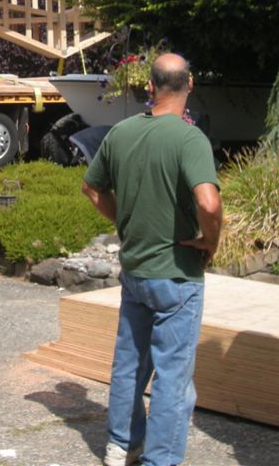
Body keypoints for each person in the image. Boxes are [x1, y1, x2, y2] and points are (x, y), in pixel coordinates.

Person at [82, 53, 223, 466]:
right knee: (172, 378)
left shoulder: (121, 133)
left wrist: (124, 220)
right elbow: (209, 203)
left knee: (130, 364)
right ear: (190, 85)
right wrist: (210, 241)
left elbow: (92, 188)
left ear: (149, 86)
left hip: (136, 271)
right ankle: (160, 459)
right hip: (177, 274)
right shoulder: (190, 139)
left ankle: (121, 444)